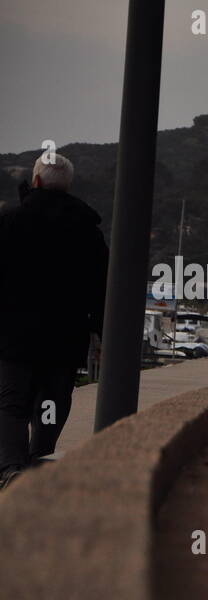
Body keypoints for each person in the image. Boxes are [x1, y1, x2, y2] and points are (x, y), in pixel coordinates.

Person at [0, 153, 108, 489]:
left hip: (15, 336)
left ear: (35, 181)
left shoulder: (10, 222)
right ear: (68, 186)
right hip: (65, 338)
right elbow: (102, 287)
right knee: (51, 402)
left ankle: (10, 470)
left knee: (12, 405)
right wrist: (102, 332)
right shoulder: (89, 232)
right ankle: (40, 460)